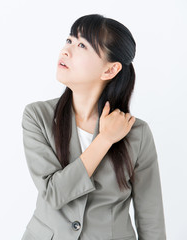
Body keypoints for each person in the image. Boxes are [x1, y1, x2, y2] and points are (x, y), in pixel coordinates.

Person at [21, 14, 166, 240]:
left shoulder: (137, 133)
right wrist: (104, 140)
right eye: (69, 40)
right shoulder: (37, 117)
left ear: (110, 70)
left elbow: (151, 219)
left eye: (81, 45)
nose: (66, 51)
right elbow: (53, 194)